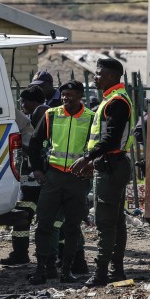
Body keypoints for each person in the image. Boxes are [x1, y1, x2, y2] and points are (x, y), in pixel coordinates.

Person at [71, 58, 135, 287]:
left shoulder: (116, 102)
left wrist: (88, 157)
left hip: (111, 166)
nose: (95, 77)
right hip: (111, 163)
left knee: (106, 223)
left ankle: (101, 273)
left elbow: (111, 138)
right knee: (116, 221)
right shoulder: (114, 99)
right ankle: (116, 271)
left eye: (98, 74)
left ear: (110, 76)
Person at [26, 80, 93, 284]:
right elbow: (35, 143)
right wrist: (37, 169)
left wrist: (91, 165)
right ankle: (41, 270)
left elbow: (97, 146)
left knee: (72, 226)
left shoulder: (91, 118)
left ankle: (66, 270)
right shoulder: (51, 114)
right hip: (53, 177)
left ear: (80, 96)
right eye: (63, 95)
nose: (66, 98)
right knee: (44, 224)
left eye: (70, 95)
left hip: (77, 179)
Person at [0, 86, 48, 266]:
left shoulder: (37, 117)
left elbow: (33, 147)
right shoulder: (47, 116)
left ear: (34, 102)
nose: (22, 104)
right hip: (39, 178)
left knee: (22, 217)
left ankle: (21, 254)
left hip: (32, 180)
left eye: (24, 100)